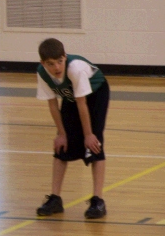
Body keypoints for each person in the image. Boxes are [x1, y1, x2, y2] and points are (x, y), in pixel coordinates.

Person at [35, 38, 110, 219]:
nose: (57, 67)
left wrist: (88, 134)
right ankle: (55, 199)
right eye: (51, 64)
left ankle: (98, 200)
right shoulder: (42, 73)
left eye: (60, 61)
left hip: (95, 94)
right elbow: (53, 105)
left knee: (94, 145)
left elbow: (82, 103)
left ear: (65, 57)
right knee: (62, 145)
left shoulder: (74, 69)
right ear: (43, 63)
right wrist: (61, 133)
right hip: (71, 97)